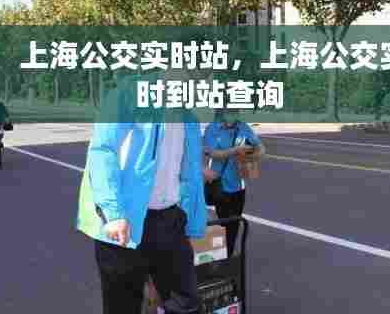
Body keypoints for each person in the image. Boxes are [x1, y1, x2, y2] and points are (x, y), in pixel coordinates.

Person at [77, 70, 207, 314]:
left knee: (186, 303)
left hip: (168, 219)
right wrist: (114, 214)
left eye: (201, 76)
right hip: (124, 221)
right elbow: (103, 150)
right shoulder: (129, 95)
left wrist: (191, 221)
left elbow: (186, 171)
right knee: (123, 306)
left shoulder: (188, 117)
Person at [203, 109, 264, 257]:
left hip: (238, 185)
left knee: (235, 224)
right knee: (224, 224)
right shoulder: (213, 128)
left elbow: (261, 148)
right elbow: (213, 153)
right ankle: (221, 255)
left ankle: (228, 256)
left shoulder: (243, 127)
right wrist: (236, 150)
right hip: (220, 185)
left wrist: (254, 154)